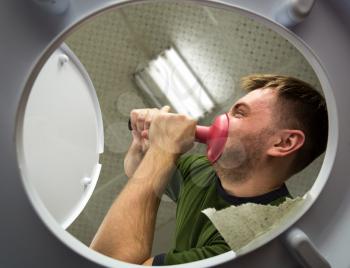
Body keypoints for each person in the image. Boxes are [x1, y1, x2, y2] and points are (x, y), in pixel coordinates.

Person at [90, 74, 328, 266]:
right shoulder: (202, 171)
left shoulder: (255, 241)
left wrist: (163, 148)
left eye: (240, 113)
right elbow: (139, 170)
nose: (220, 118)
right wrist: (143, 141)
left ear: (283, 143)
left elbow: (107, 263)